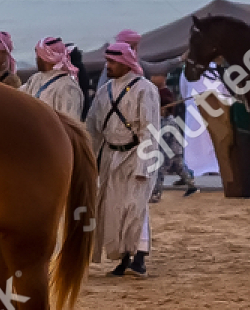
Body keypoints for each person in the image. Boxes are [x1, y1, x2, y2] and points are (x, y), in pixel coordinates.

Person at [89, 41, 159, 278]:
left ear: (125, 63)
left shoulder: (145, 89)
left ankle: (139, 259)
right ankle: (123, 258)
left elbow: (150, 128)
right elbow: (94, 128)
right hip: (111, 156)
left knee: (135, 207)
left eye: (113, 62)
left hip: (136, 153)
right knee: (115, 209)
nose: (108, 66)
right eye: (107, 61)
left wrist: (144, 165)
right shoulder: (104, 90)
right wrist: (91, 160)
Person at [150, 73, 197, 201]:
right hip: (172, 138)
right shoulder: (155, 93)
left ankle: (156, 193)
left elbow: (165, 144)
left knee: (160, 165)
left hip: (168, 137)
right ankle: (192, 185)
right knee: (178, 164)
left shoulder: (164, 95)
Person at [22, 37, 83, 120]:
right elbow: (17, 95)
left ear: (46, 58)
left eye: (38, 56)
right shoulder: (35, 79)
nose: (36, 59)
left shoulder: (67, 87)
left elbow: (70, 123)